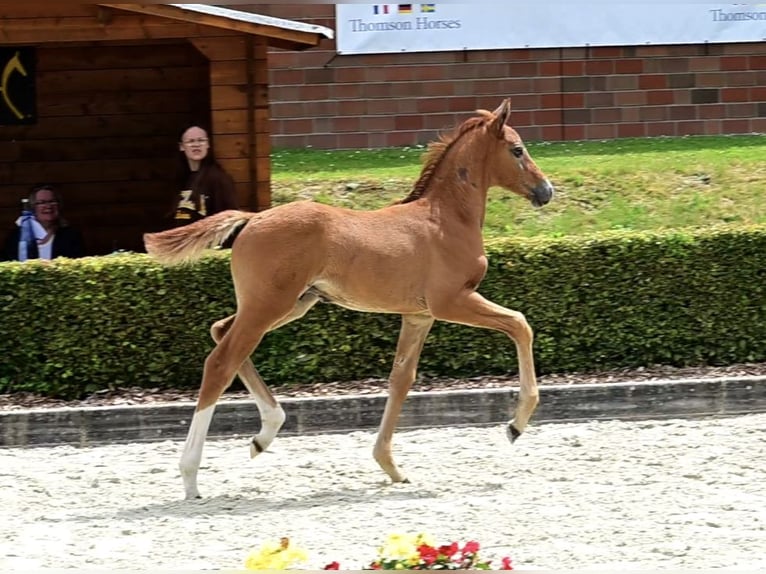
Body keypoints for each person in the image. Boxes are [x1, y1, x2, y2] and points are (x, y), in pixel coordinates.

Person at [171, 125, 238, 227]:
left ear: (208, 144)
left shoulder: (219, 179)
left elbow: (229, 220)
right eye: (190, 141)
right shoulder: (180, 179)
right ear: (181, 146)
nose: (196, 145)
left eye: (201, 140)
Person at [1, 184, 86, 261]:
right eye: (42, 202)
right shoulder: (17, 236)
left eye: (52, 201)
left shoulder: (71, 236)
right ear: (32, 208)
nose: (48, 206)